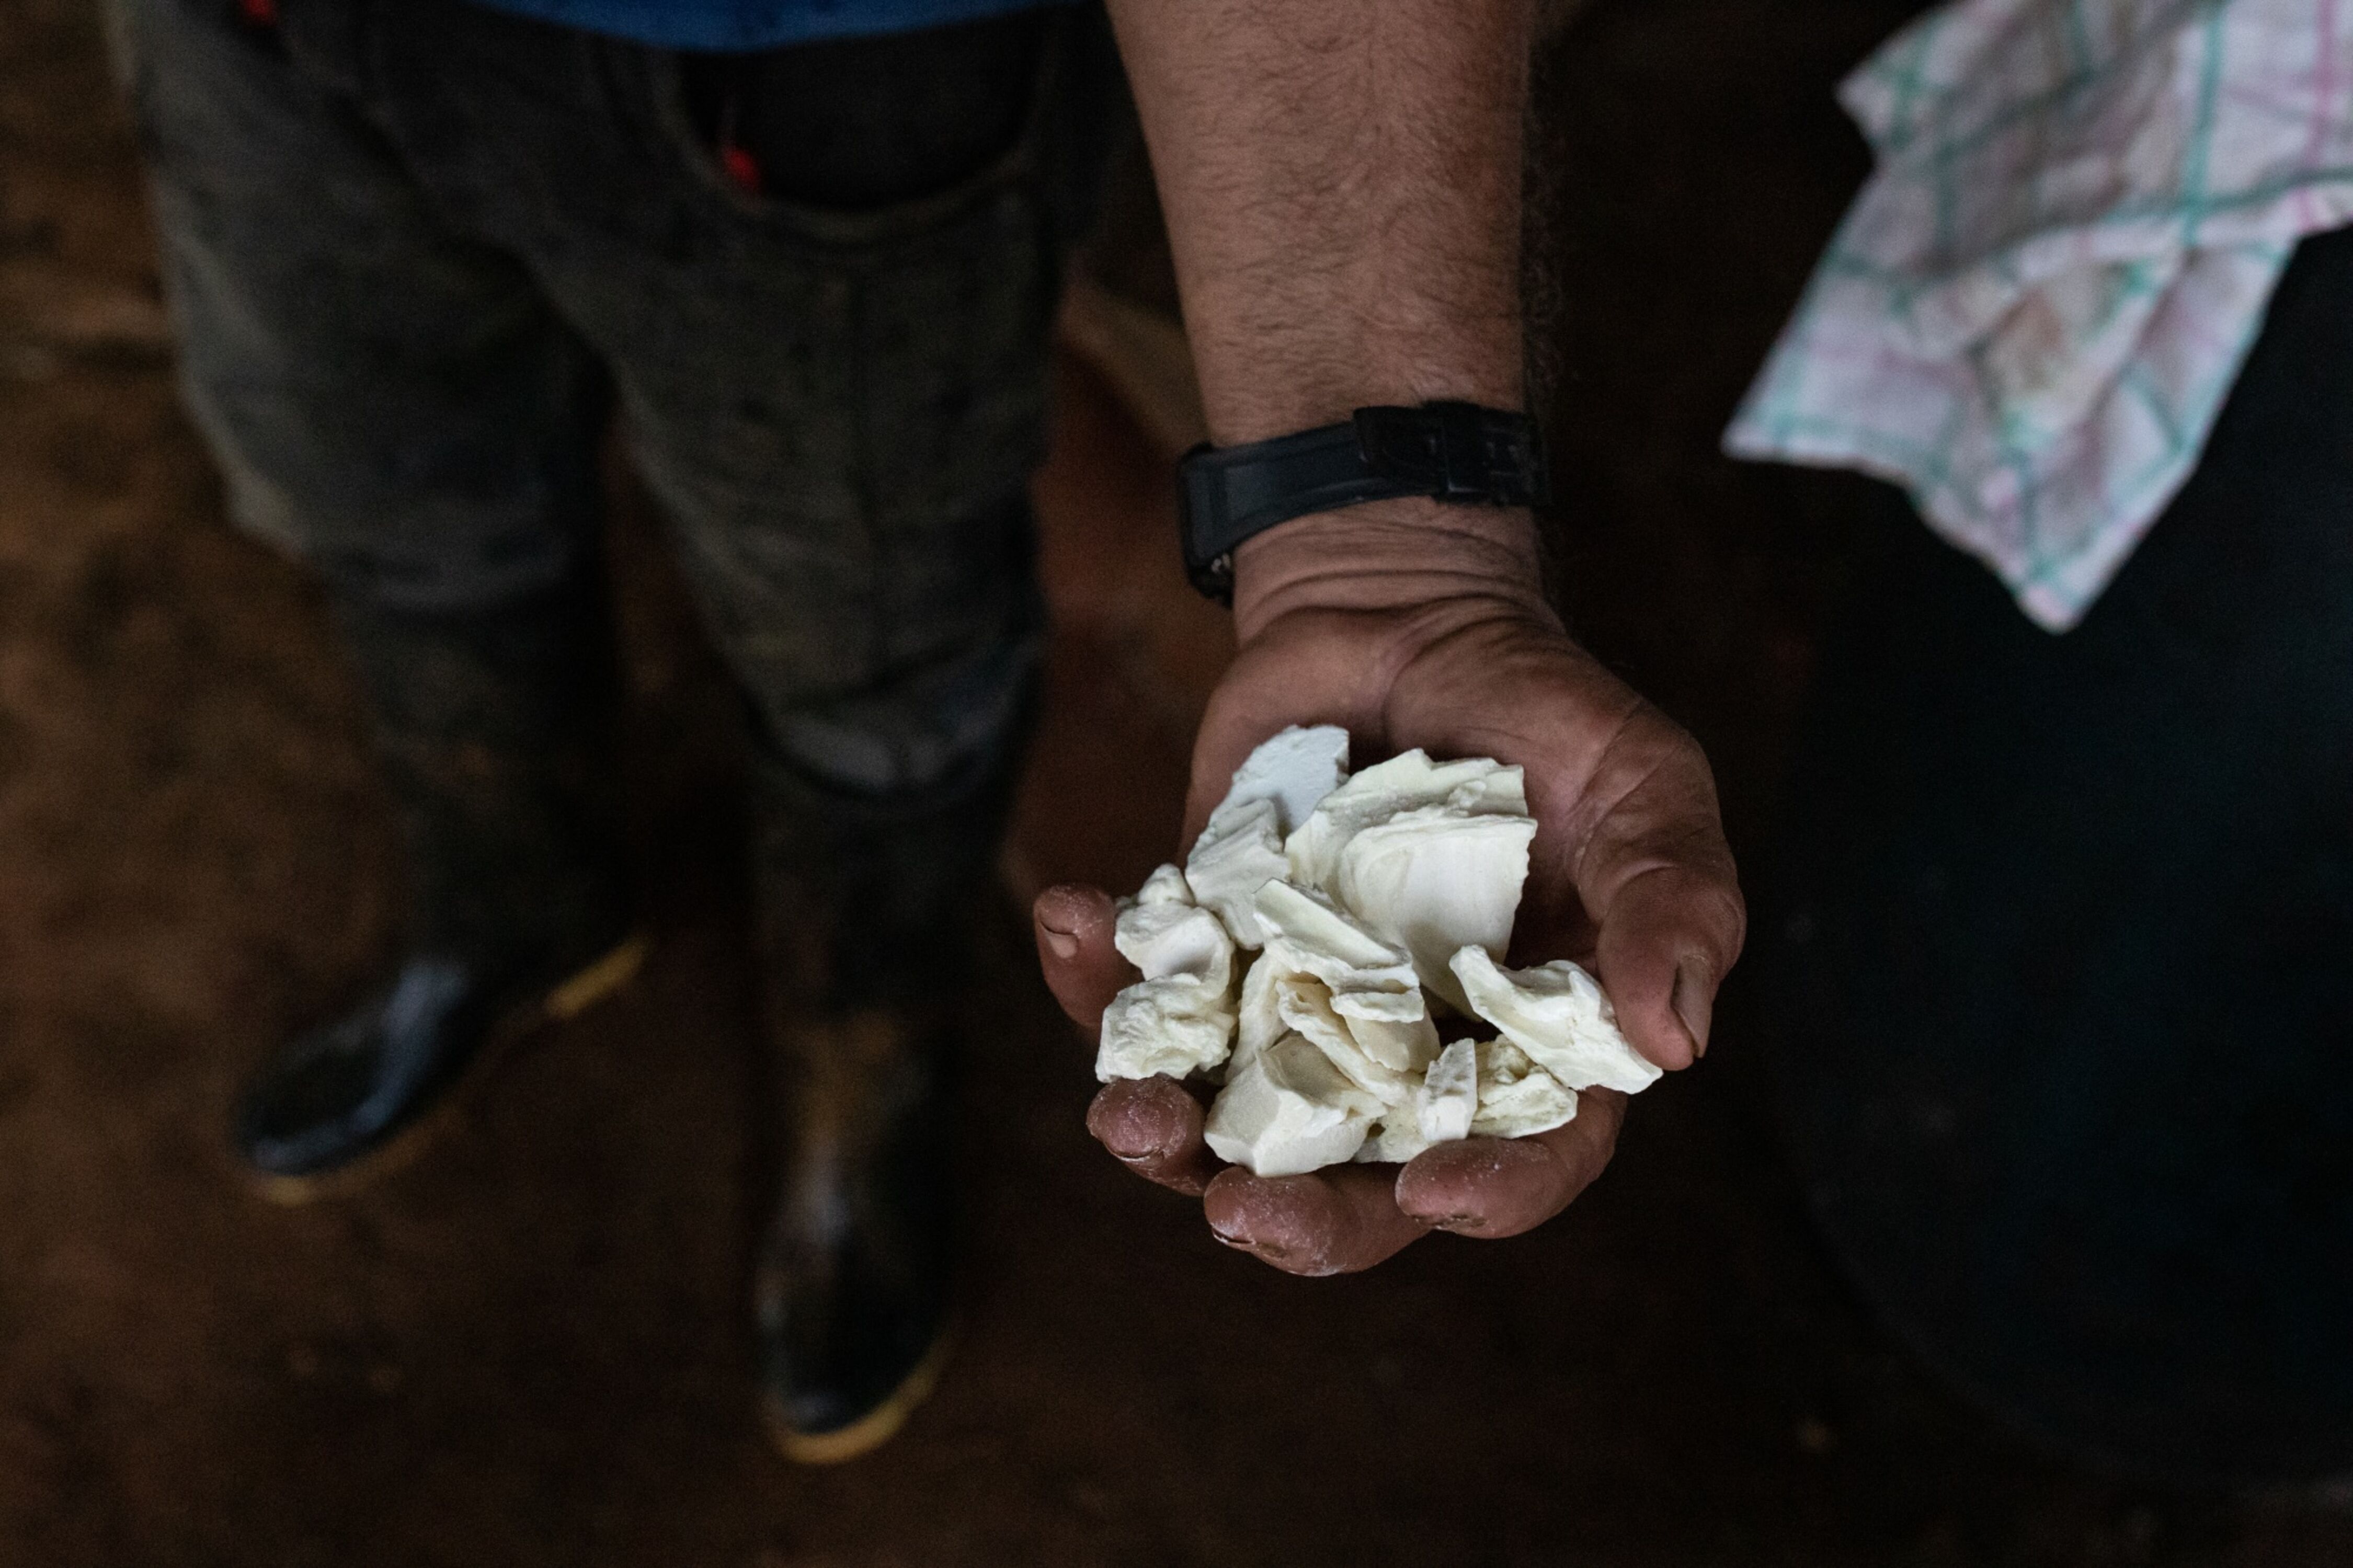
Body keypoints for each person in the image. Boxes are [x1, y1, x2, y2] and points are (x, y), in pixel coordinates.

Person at [118, 0, 1743, 1462]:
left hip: (813, 73)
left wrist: (1391, 540)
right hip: (243, 36)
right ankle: (514, 908)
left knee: (871, 643)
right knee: (386, 507)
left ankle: (862, 1065)